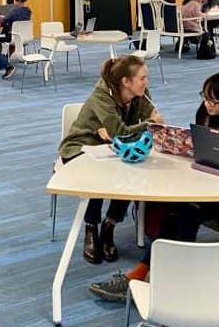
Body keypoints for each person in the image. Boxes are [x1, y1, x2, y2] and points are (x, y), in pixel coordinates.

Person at [89, 72, 219, 301]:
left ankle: (156, 277)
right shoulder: (205, 114)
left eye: (213, 101)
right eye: (204, 97)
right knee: (175, 214)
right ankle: (145, 274)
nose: (207, 104)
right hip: (205, 183)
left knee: (186, 212)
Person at [58, 56, 164, 264]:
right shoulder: (102, 95)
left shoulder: (140, 93)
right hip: (80, 146)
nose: (146, 82)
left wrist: (150, 124)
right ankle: (91, 227)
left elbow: (129, 133)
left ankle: (109, 225)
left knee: (131, 169)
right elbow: (122, 132)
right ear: (126, 81)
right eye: (142, 78)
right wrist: (150, 123)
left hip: (113, 148)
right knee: (100, 173)